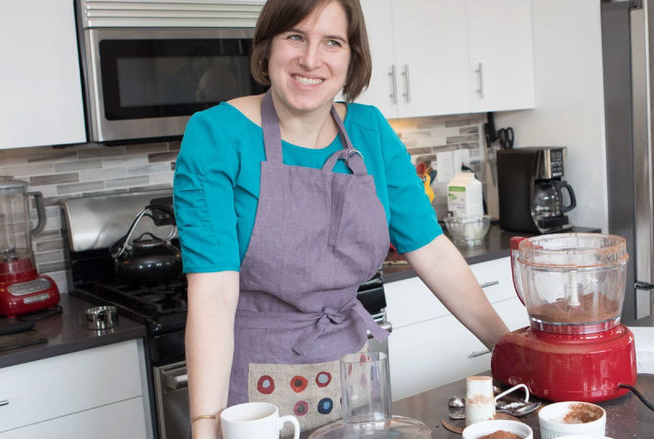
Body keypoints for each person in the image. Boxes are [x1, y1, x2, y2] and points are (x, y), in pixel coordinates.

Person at [173, 1, 510, 437]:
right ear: (267, 45)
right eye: (295, 36)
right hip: (254, 394)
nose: (310, 59)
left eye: (331, 42)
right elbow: (214, 293)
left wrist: (509, 350)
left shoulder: (370, 132)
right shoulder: (216, 136)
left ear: (352, 58)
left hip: (355, 384)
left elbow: (435, 255)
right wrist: (204, 424)